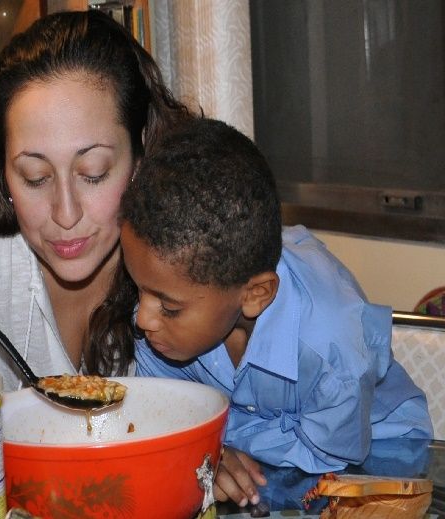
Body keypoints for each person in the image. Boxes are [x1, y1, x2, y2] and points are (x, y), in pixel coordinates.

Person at [107, 117, 433, 508]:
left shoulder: (332, 350)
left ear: (254, 295)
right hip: (264, 459)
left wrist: (214, 439)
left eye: (169, 307)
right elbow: (168, 414)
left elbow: (327, 459)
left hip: (377, 451)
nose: (142, 319)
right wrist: (206, 446)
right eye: (138, 289)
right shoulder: (170, 306)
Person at [0, 9, 194, 389]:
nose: (66, 215)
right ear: (1, 172)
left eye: (94, 173)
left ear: (141, 158)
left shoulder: (189, 270)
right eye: (35, 178)